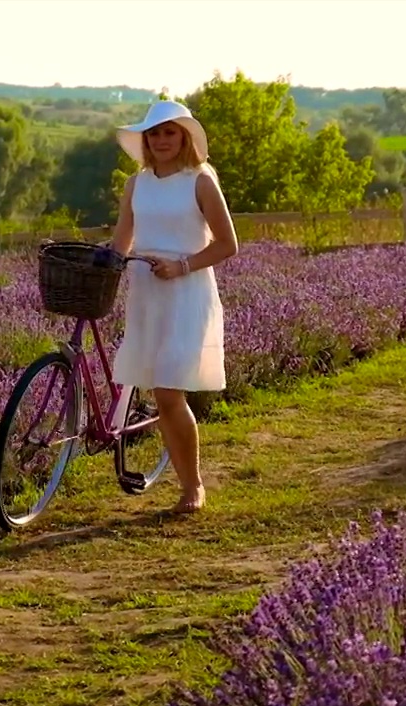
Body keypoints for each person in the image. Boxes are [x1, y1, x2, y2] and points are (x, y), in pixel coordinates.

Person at [108, 100, 238, 514]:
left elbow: (227, 244)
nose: (161, 140)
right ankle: (185, 480)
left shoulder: (200, 181)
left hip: (186, 293)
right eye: (154, 134)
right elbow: (121, 241)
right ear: (145, 140)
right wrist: (102, 263)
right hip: (146, 294)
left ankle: (192, 487)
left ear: (184, 137)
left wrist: (182, 265)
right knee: (159, 392)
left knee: (167, 393)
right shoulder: (137, 184)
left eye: (169, 132)